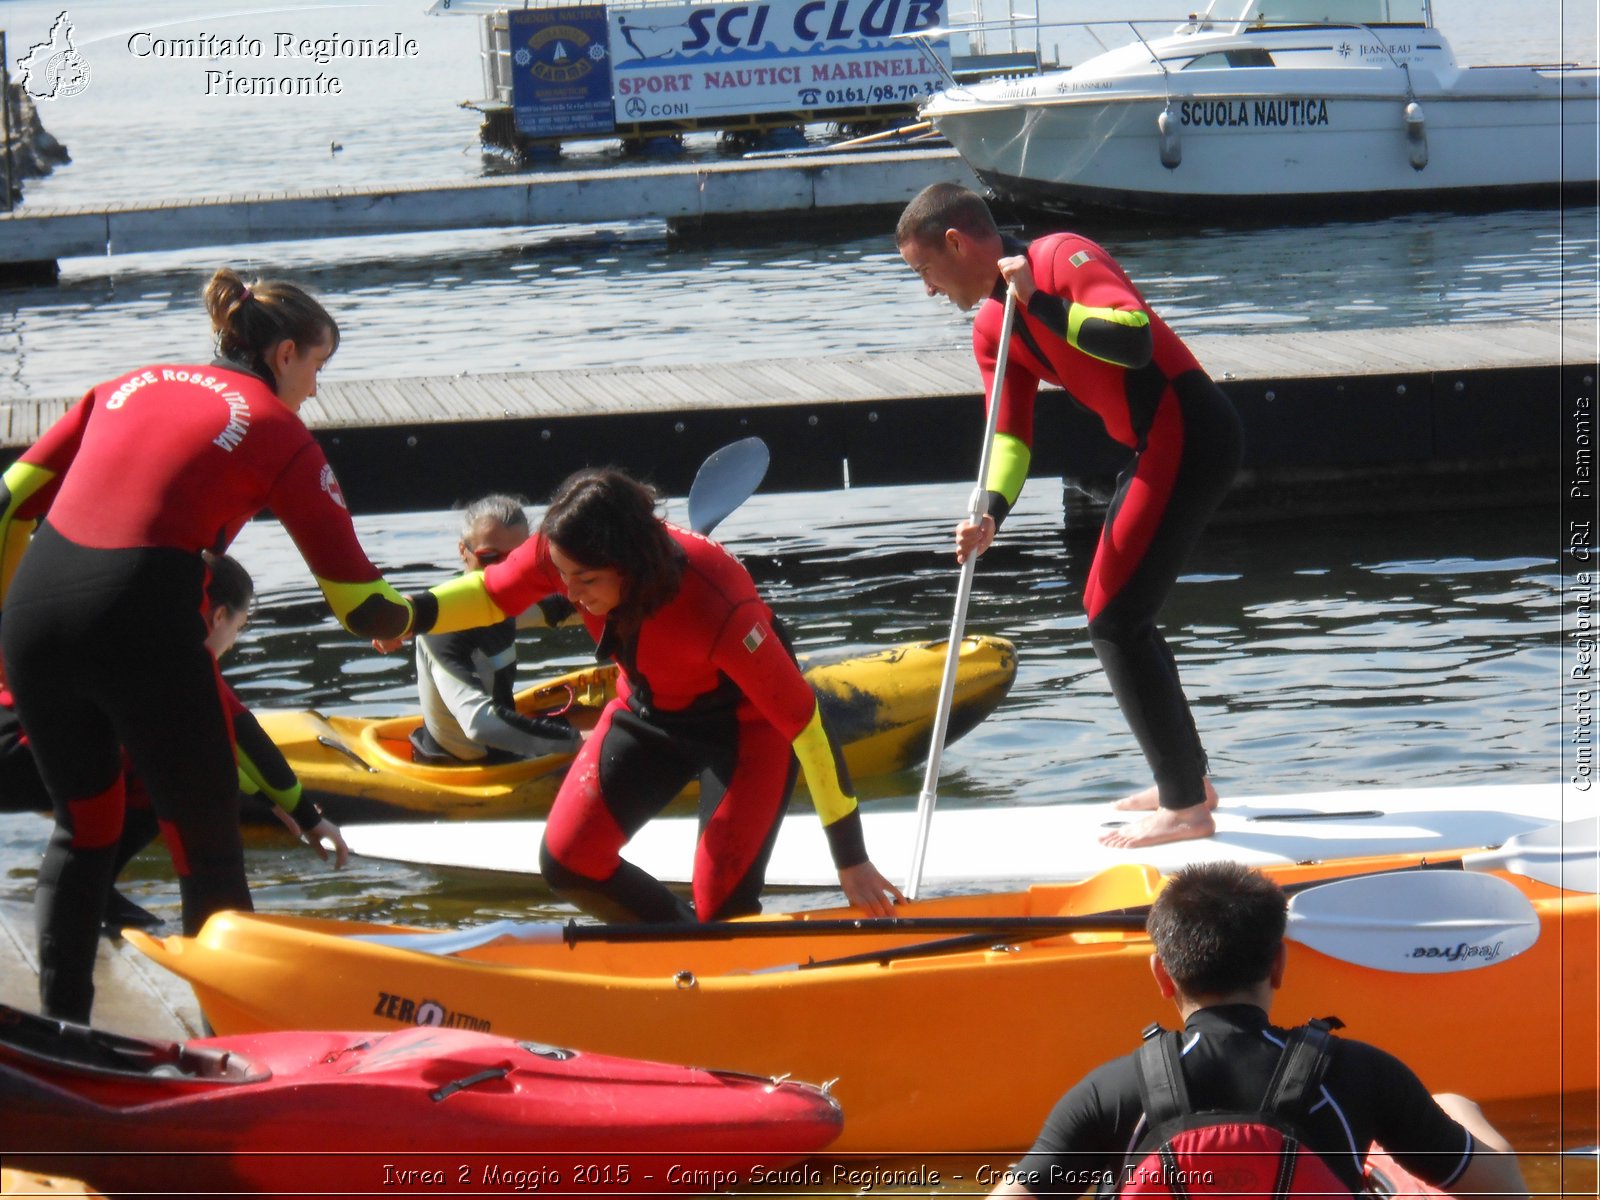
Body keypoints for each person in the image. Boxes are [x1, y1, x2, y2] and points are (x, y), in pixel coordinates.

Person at [0, 267, 415, 1023]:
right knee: (206, 843)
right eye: (318, 367)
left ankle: (64, 1036)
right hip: (140, 618)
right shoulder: (279, 430)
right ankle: (238, 1045)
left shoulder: (122, 385)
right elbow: (362, 607)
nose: (315, 390)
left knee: (84, 830)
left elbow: (7, 504)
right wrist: (421, 616)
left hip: (31, 618)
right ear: (284, 353)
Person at [381, 466, 903, 922]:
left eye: (584, 580)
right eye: (562, 577)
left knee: (723, 902)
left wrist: (850, 859)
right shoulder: (564, 547)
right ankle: (683, 951)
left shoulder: (716, 603)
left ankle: (717, 953)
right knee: (569, 861)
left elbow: (806, 726)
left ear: (630, 564)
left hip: (744, 730)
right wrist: (409, 613)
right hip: (649, 712)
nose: (570, 593)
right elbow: (491, 594)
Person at [896, 183, 1244, 850]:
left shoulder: (1061, 257)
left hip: (1189, 429)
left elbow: (1133, 341)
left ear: (956, 243)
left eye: (925, 271)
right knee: (1120, 612)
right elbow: (1010, 438)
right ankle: (1189, 787)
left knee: (1113, 613)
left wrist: (1043, 304)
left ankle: (1186, 805)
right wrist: (991, 512)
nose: (929, 291)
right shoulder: (991, 327)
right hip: (1152, 444)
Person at [987, 861, 1527, 1199]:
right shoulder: (1361, 1074)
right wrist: (1459, 1109)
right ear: (1279, 966)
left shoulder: (1110, 1093)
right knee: (1445, 1109)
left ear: (1162, 975)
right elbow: (1501, 1191)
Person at [0, 552, 349, 936]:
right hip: (15, 752)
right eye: (240, 626)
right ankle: (93, 892)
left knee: (160, 752)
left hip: (19, 747)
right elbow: (243, 737)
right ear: (218, 617)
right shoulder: (178, 654)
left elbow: (214, 746)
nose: (234, 642)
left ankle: (94, 888)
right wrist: (309, 818)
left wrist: (270, 802)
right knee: (163, 770)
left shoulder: (136, 626)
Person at [412, 494, 581, 765]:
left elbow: (570, 609)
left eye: (516, 558)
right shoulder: (442, 627)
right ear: (462, 551)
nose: (505, 572)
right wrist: (577, 742)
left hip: (504, 750)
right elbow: (478, 724)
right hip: (466, 768)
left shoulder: (508, 601)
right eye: (489, 557)